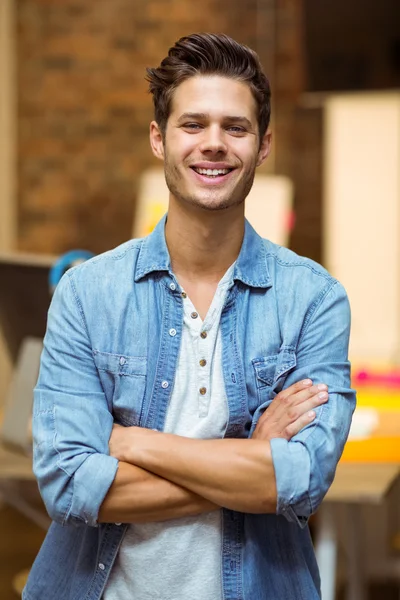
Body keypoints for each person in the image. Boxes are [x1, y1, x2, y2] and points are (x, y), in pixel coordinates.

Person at [23, 33, 355, 600]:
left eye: (236, 127)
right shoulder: (86, 294)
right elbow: (69, 486)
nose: (214, 144)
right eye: (193, 124)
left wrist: (129, 443)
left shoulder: (314, 300)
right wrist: (250, 463)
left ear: (264, 145)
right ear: (159, 139)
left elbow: (300, 483)